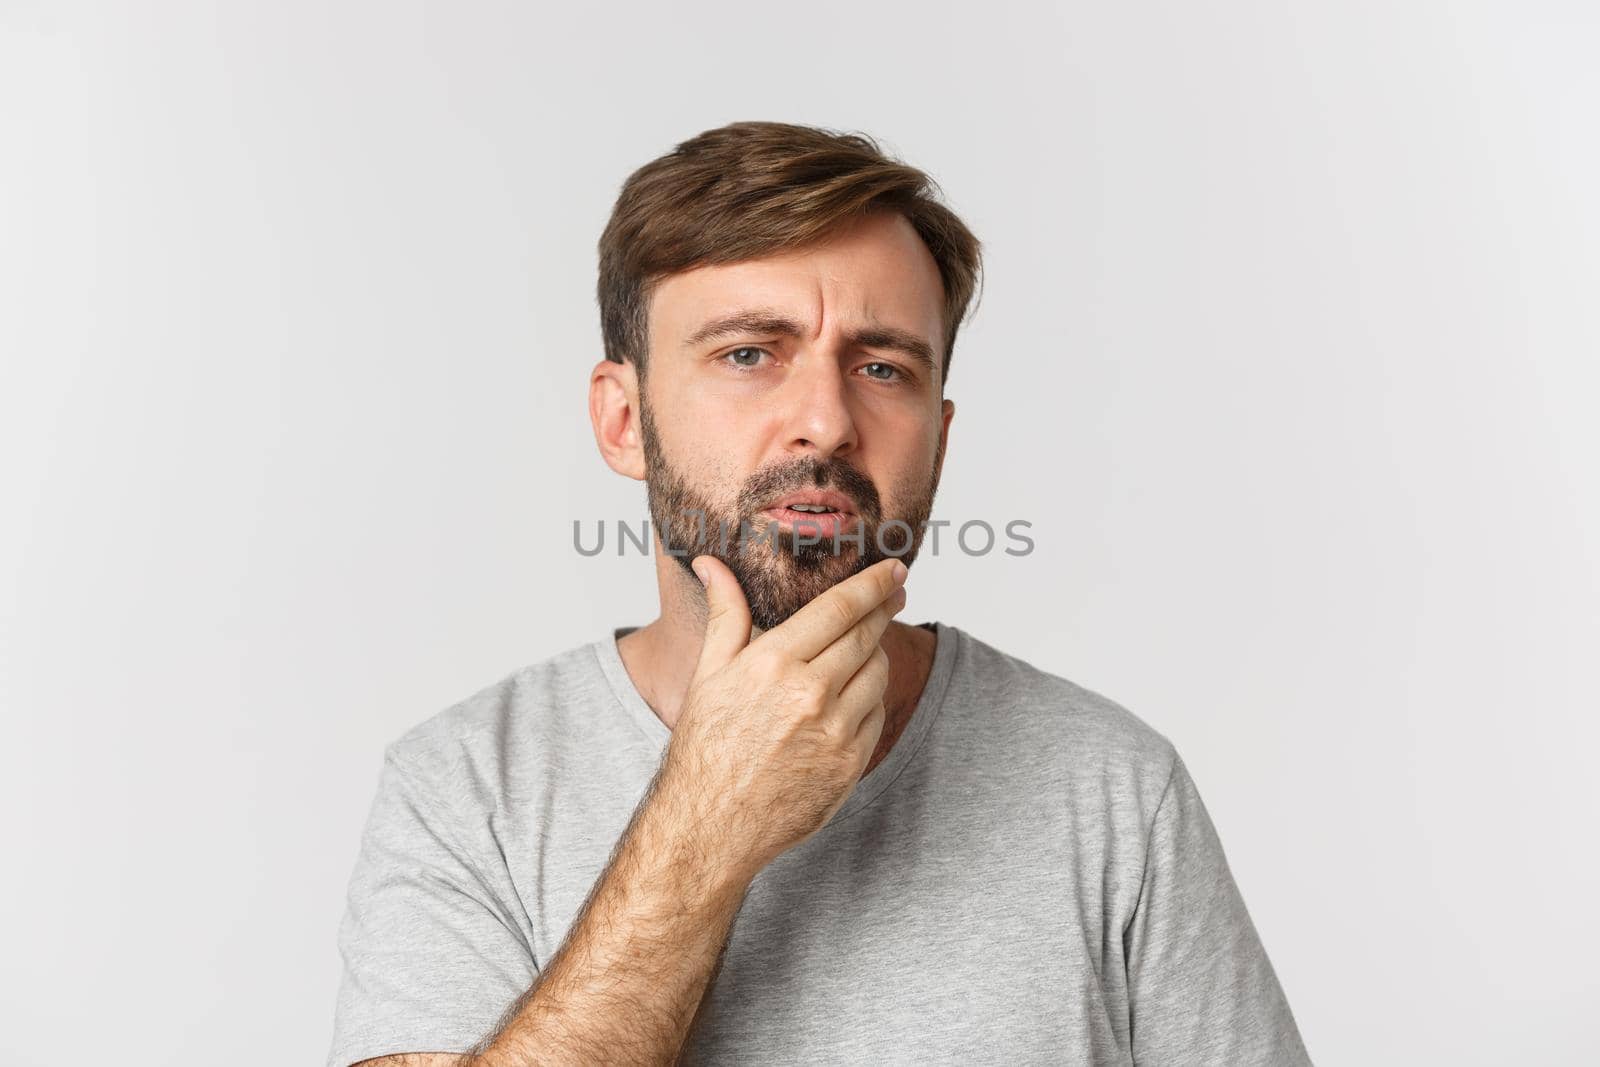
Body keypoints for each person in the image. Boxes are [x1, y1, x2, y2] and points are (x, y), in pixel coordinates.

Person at [326, 121, 1312, 1066]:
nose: (826, 421)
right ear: (624, 421)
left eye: (882, 367)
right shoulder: (465, 785)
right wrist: (707, 821)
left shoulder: (1110, 787)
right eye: (749, 353)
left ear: (940, 430)